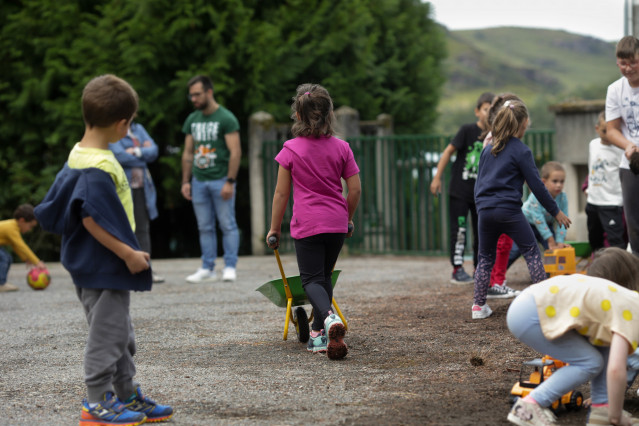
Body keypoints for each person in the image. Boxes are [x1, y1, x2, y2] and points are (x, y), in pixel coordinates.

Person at [34, 74, 173, 425]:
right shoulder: (99, 167)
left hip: (93, 263)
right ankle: (97, 401)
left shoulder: (80, 155)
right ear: (121, 124)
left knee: (119, 333)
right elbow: (91, 218)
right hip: (106, 264)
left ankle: (124, 394)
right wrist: (128, 253)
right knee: (108, 335)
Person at [266, 83, 361, 360]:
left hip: (307, 224)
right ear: (330, 114)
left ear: (297, 114)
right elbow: (354, 190)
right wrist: (348, 218)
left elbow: (281, 193)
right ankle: (321, 336)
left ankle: (329, 319)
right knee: (324, 277)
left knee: (310, 280)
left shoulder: (291, 149)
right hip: (335, 223)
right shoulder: (342, 148)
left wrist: (274, 228)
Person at [506, 247, 639, 426]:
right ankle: (529, 405)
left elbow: (609, 357)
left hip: (529, 304)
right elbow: (616, 370)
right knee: (590, 362)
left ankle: (601, 410)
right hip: (531, 311)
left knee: (602, 350)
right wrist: (616, 417)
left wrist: (607, 408)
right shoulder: (632, 308)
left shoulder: (617, 300)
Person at [472, 97, 571, 319]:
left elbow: (479, 183)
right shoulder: (521, 151)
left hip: (485, 211)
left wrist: (482, 209)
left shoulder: (488, 149)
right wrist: (556, 211)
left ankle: (478, 307)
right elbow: (537, 186)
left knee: (485, 257)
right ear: (524, 123)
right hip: (509, 211)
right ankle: (544, 303)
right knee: (532, 252)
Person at [181, 75, 241, 283]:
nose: (194, 99)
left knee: (227, 224)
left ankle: (230, 266)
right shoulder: (192, 119)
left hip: (220, 179)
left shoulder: (226, 118)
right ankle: (207, 267)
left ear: (209, 92)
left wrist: (230, 181)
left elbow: (235, 152)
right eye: (191, 96)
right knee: (204, 226)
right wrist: (185, 181)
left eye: (197, 94)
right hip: (198, 180)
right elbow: (188, 153)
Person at [430, 92, 494, 284]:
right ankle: (457, 268)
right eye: (485, 109)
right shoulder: (467, 130)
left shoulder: (494, 136)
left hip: (480, 194)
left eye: (493, 110)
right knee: (459, 230)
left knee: (481, 231)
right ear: (477, 111)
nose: (489, 113)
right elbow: (448, 151)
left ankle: (479, 268)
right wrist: (437, 177)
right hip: (459, 192)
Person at [109, 120, 164, 283]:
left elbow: (154, 151)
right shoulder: (113, 128)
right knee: (121, 228)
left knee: (142, 229)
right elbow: (118, 155)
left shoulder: (138, 129)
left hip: (141, 188)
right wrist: (143, 155)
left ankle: (146, 269)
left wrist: (136, 151)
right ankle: (123, 270)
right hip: (122, 188)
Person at [481, 93, 523, 300]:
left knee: (499, 243)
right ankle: (495, 283)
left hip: (495, 202)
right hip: (501, 202)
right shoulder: (496, 141)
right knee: (501, 243)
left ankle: (495, 282)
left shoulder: (495, 139)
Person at [606, 35, 639, 257]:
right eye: (623, 64)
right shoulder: (615, 90)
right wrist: (629, 146)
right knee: (635, 224)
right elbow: (611, 129)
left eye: (633, 62)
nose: (628, 69)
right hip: (631, 163)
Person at [507, 161, 570, 266]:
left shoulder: (563, 197)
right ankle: (495, 273)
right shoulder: (536, 196)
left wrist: (559, 241)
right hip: (526, 225)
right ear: (544, 182)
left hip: (546, 225)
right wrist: (550, 240)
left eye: (562, 181)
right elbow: (538, 219)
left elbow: (563, 220)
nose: (559, 185)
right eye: (555, 181)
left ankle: (553, 273)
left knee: (553, 249)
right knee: (515, 251)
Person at [586, 111, 626, 252]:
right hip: (593, 202)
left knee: (616, 242)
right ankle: (599, 268)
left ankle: (620, 272)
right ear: (597, 129)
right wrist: (589, 188)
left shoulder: (620, 150)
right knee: (594, 240)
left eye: (612, 131)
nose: (609, 135)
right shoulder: (593, 145)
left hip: (611, 203)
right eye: (604, 130)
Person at [0, 204, 46, 292]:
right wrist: (37, 262)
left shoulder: (13, 226)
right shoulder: (11, 228)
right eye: (30, 226)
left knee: (7, 258)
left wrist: (25, 258)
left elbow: (15, 246)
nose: (30, 229)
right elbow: (22, 246)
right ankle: (1, 284)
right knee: (4, 258)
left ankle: (2, 282)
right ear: (22, 220)